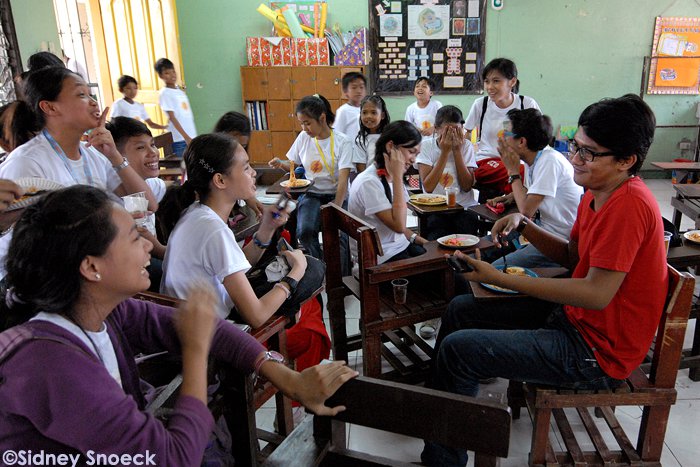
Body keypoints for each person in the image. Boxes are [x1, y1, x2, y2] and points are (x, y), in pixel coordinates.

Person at [0, 185, 357, 465]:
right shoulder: (51, 364)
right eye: (134, 237)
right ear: (91, 267)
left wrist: (288, 378)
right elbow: (174, 458)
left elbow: (206, 326)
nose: (148, 247)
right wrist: (195, 353)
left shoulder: (102, 309)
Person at [421, 94, 665, 466]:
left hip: (597, 351)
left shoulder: (629, 205)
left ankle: (443, 459)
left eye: (588, 153)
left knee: (459, 350)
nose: (575, 159)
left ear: (626, 161)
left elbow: (596, 294)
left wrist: (502, 278)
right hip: (575, 320)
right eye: (575, 147)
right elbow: (573, 258)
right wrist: (526, 225)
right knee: (460, 309)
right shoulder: (597, 193)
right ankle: (437, 410)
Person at [0, 66, 156, 277]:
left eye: (91, 95)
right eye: (81, 95)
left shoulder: (93, 155)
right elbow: (24, 241)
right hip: (43, 276)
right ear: (50, 107)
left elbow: (147, 204)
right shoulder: (27, 162)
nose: (93, 102)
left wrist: (115, 156)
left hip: (88, 267)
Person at [487, 108, 583, 268]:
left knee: (495, 269)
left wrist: (513, 172)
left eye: (506, 133)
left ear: (521, 142)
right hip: (538, 228)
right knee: (483, 247)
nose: (501, 138)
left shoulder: (549, 161)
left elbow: (526, 212)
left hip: (557, 240)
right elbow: (533, 193)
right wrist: (509, 197)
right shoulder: (534, 159)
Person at [268, 95, 353, 268]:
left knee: (339, 235)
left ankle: (342, 276)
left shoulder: (343, 141)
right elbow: (293, 165)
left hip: (337, 194)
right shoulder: (303, 138)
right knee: (305, 232)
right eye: (301, 123)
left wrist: (335, 207)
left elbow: (343, 180)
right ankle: (320, 266)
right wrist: (280, 164)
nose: (304, 128)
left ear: (322, 118)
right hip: (312, 193)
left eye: (307, 123)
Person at [349, 121, 428, 263]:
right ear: (390, 146)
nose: (414, 160)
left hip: (400, 247)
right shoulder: (369, 182)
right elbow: (399, 226)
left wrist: (421, 241)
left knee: (446, 260)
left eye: (416, 154)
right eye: (411, 152)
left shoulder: (388, 176)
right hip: (382, 258)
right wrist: (398, 176)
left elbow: (399, 229)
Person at [464, 58, 540, 199]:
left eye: (496, 81)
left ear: (512, 82)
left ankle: (508, 200)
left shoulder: (526, 104)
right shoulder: (481, 104)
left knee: (526, 171)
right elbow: (466, 133)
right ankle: (514, 199)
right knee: (520, 174)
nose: (490, 87)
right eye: (487, 81)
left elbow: (538, 137)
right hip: (487, 161)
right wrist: (466, 159)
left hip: (518, 162)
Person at [416, 105, 478, 240]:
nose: (452, 135)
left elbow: (467, 186)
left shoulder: (466, 146)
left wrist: (457, 151)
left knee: (467, 228)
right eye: (448, 131)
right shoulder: (426, 146)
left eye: (456, 130)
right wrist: (444, 152)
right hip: (435, 208)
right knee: (438, 234)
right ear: (436, 129)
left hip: (463, 207)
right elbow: (428, 187)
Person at [213, 110, 263, 218]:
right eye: (234, 144)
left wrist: (248, 197)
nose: (239, 150)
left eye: (243, 146)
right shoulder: (207, 162)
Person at [155, 58, 196, 157]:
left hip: (191, 135)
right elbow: (172, 118)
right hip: (180, 139)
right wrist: (186, 137)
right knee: (183, 164)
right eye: (167, 73)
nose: (172, 75)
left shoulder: (179, 91)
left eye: (173, 71)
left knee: (196, 163)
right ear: (161, 76)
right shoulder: (165, 93)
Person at [351, 95, 390, 173]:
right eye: (364, 113)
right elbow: (361, 169)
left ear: (382, 115)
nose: (368, 116)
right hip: (369, 178)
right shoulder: (360, 140)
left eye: (373, 112)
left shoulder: (390, 137)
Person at [333, 72, 367, 143]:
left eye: (361, 87)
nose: (359, 91)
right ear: (345, 91)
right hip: (349, 148)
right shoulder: (343, 111)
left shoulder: (367, 109)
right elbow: (336, 135)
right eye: (354, 87)